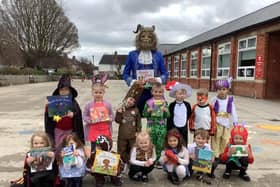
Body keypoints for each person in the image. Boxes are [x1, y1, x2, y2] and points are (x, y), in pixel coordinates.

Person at [122, 24, 168, 116]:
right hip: (136, 92)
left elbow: (165, 74)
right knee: (134, 117)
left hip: (155, 93)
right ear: (139, 39)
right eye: (143, 36)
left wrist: (158, 80)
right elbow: (125, 74)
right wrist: (133, 81)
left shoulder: (158, 55)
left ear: (153, 39)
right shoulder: (132, 54)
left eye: (149, 36)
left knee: (155, 117)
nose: (146, 38)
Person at [44, 74, 84, 150]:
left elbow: (78, 113)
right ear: (58, 91)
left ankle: (68, 161)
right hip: (58, 130)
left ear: (69, 91)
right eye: (61, 90)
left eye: (66, 89)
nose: (64, 91)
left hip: (70, 130)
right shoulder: (54, 102)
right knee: (58, 146)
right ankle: (59, 160)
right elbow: (50, 119)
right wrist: (49, 109)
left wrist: (74, 114)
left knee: (70, 147)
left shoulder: (73, 102)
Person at [83, 74, 114, 153]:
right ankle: (93, 161)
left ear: (103, 93)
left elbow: (112, 115)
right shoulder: (89, 105)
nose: (98, 94)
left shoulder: (107, 104)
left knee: (104, 148)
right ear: (92, 93)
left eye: (100, 92)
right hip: (94, 130)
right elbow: (85, 116)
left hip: (104, 129)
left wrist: (109, 118)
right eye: (96, 92)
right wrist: (90, 120)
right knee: (94, 149)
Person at [142, 82, 170, 166]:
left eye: (160, 92)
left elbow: (168, 116)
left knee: (160, 143)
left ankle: (158, 159)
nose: (158, 94)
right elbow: (144, 114)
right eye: (156, 92)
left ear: (163, 93)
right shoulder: (148, 102)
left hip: (161, 126)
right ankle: (151, 159)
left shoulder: (164, 102)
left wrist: (166, 111)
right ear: (152, 92)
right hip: (151, 126)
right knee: (151, 142)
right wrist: (148, 111)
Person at [211, 79, 238, 160]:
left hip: (226, 123)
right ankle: (215, 155)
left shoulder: (230, 100)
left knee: (225, 139)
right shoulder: (214, 100)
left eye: (224, 89)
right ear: (216, 90)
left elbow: (233, 111)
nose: (221, 91)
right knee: (216, 139)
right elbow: (210, 111)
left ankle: (223, 155)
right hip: (217, 123)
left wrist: (235, 122)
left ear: (227, 90)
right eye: (219, 89)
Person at [115, 96, 141, 169]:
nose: (130, 102)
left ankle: (131, 162)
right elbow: (117, 120)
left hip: (132, 135)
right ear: (125, 100)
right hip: (122, 135)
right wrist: (119, 113)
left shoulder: (136, 110)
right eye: (129, 99)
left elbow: (138, 122)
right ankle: (122, 162)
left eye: (133, 101)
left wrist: (138, 131)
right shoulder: (122, 109)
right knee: (121, 149)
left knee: (132, 149)